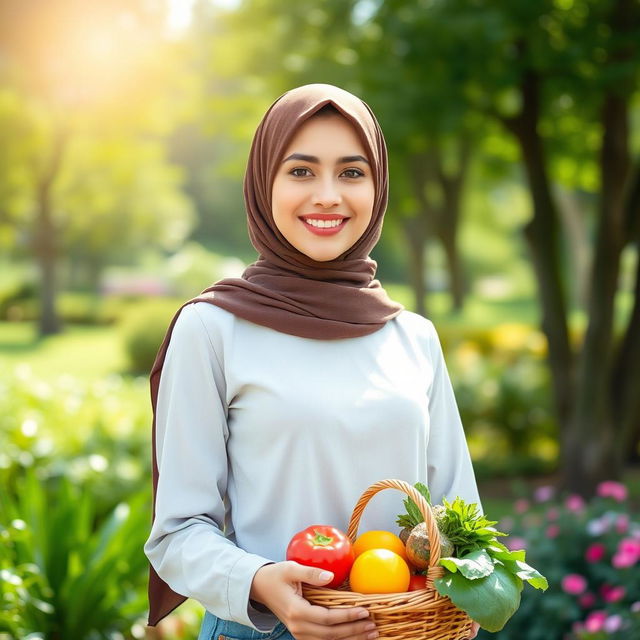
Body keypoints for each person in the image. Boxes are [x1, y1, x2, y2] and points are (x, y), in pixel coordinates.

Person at [144, 83, 482, 640]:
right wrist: (257, 579)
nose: (328, 195)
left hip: (406, 628)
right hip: (266, 629)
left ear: (377, 188)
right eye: (301, 171)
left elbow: (458, 516)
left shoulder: (414, 337)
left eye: (352, 173)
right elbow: (177, 532)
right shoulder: (212, 328)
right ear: (263, 185)